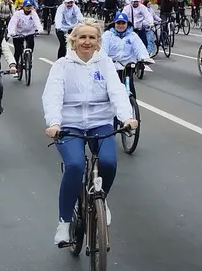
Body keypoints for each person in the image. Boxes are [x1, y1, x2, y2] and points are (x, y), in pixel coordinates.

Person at [42, 20, 138, 247]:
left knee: (109, 163)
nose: (87, 42)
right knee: (75, 165)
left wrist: (126, 117)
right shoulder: (62, 65)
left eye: (92, 38)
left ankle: (101, 199)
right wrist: (54, 123)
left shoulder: (105, 64)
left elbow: (117, 92)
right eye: (82, 37)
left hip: (100, 122)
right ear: (73, 40)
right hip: (69, 124)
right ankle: (64, 224)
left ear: (98, 42)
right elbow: (52, 95)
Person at [101, 12, 152, 99]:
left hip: (127, 66)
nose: (120, 25)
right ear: (114, 23)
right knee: (110, 91)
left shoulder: (133, 36)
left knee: (130, 87)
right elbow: (103, 50)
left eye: (123, 23)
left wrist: (144, 58)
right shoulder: (108, 35)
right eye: (118, 23)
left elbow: (139, 48)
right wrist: (103, 60)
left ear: (127, 24)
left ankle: (132, 108)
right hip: (112, 66)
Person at [7, 0, 42, 67]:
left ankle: (28, 58)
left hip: (29, 33)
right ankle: (15, 66)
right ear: (23, 7)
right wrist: (12, 32)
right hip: (18, 33)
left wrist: (39, 29)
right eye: (27, 6)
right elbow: (13, 23)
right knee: (18, 51)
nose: (28, 8)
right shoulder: (18, 14)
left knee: (31, 46)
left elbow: (37, 22)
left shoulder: (33, 13)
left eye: (30, 6)